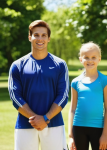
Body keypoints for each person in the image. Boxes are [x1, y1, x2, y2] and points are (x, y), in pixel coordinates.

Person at [8, 20, 69, 150]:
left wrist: (46, 118)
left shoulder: (60, 64)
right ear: (30, 37)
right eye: (36, 35)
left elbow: (63, 95)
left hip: (54, 123)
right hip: (25, 123)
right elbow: (15, 96)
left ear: (48, 39)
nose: (40, 39)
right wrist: (34, 118)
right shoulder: (17, 65)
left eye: (43, 35)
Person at [68, 42, 107, 150]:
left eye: (93, 57)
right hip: (78, 128)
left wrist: (105, 134)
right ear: (81, 59)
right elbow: (72, 109)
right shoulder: (75, 82)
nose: (90, 60)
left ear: (99, 59)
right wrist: (70, 136)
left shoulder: (104, 81)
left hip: (98, 128)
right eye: (86, 57)